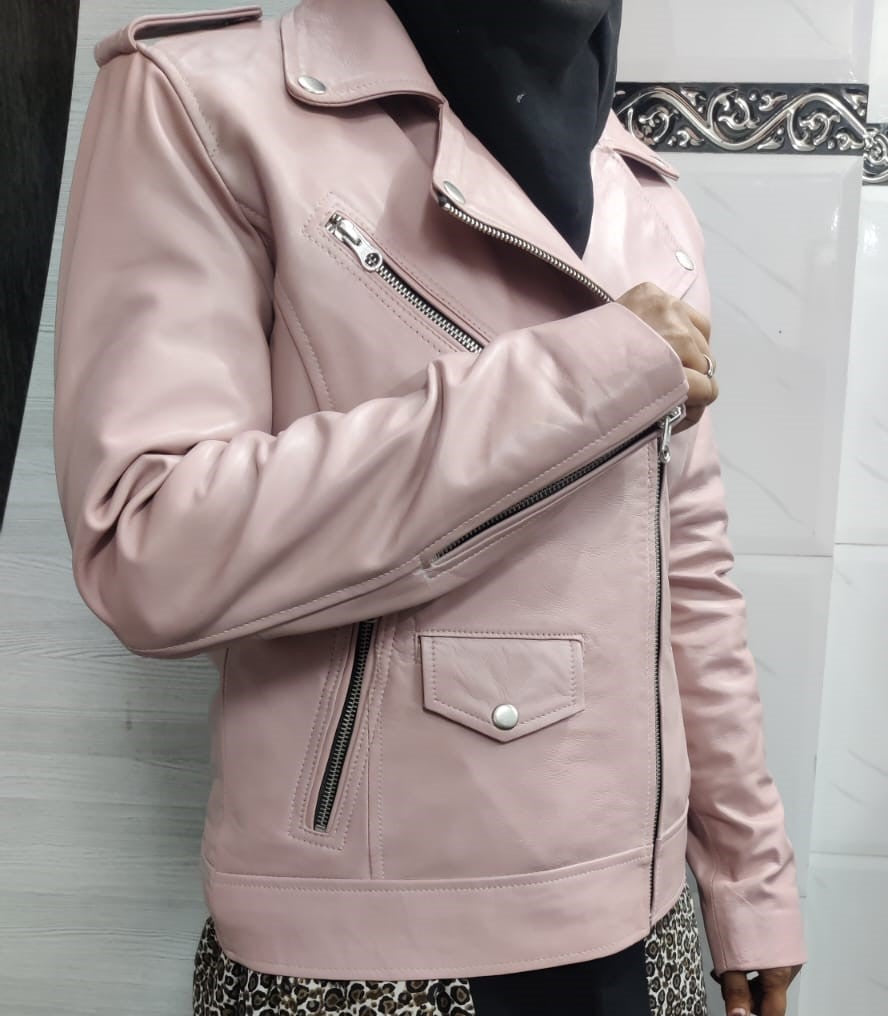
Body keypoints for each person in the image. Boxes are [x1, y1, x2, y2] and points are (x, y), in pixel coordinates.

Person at [52, 1, 808, 1014]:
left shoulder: (640, 192)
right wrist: (580, 384)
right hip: (366, 953)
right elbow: (149, 545)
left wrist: (750, 878)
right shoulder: (207, 102)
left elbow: (689, 571)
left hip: (649, 924)